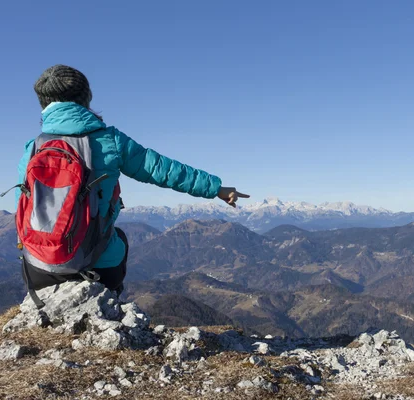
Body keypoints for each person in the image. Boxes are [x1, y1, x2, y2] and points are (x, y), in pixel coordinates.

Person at [17, 64, 249, 295]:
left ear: (43, 104)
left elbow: (23, 207)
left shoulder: (33, 149)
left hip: (39, 269)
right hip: (98, 265)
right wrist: (216, 188)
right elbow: (163, 170)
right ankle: (111, 300)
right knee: (119, 239)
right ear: (86, 98)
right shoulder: (109, 141)